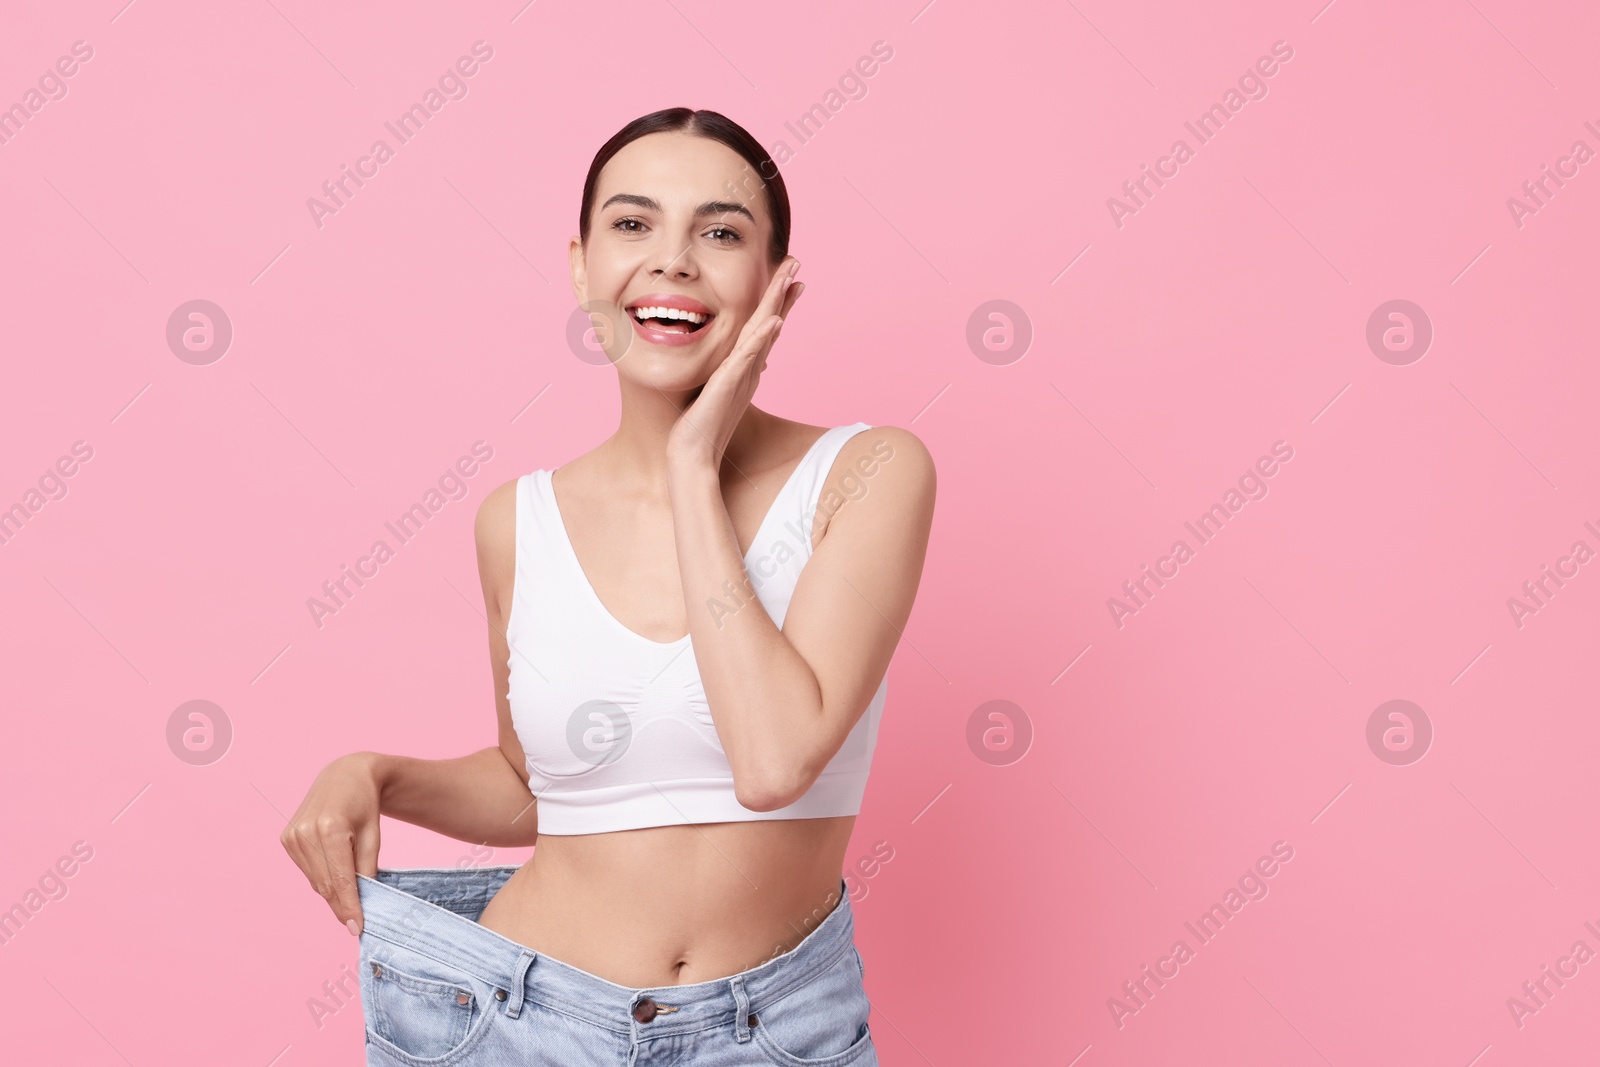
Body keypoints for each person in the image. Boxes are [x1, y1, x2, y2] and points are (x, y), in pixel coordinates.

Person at [280, 106, 936, 1065]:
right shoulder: (518, 520)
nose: (672, 260)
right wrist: (375, 774)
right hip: (509, 1024)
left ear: (775, 282)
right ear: (583, 266)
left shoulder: (869, 473)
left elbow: (774, 760)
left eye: (720, 232)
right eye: (633, 225)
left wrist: (689, 469)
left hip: (774, 1031)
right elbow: (541, 790)